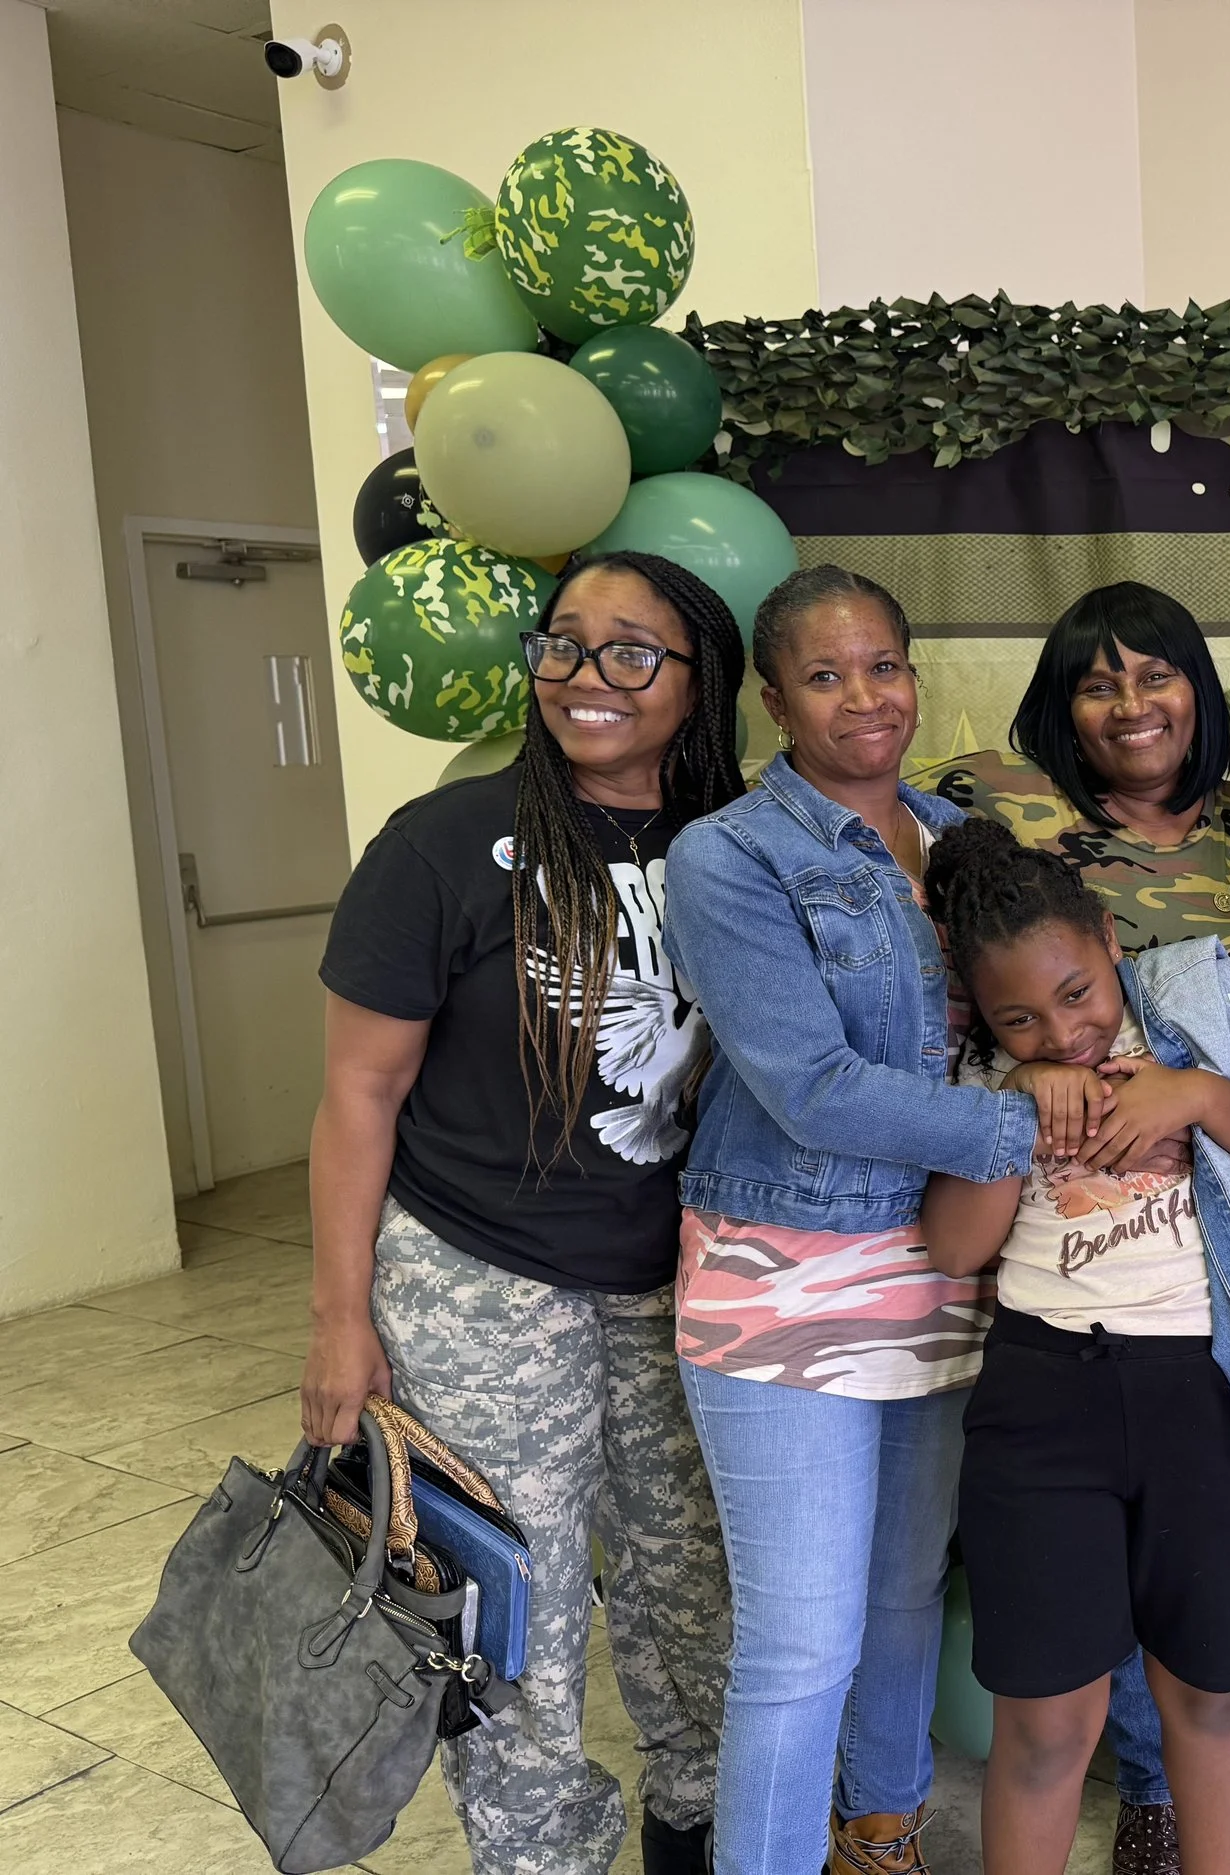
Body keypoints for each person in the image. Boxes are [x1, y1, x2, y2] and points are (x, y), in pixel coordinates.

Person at [304, 549, 745, 1875]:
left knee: (697, 1594)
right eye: (563, 643)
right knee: (518, 1620)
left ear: (699, 677)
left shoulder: (741, 845)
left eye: (631, 651)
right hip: (482, 1279)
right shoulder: (441, 845)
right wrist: (338, 1319)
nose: (584, 675)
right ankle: (537, 1855)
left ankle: (701, 1828)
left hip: (688, 1280)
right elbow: (355, 1095)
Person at [930, 582, 1230, 1875]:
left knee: (1213, 1688)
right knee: (1047, 1720)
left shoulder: (1192, 1018)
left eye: (1077, 994)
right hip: (1043, 1399)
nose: (1063, 1031)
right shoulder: (987, 1080)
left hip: (1202, 1389)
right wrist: (1016, 1115)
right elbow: (953, 1248)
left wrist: (1197, 1093)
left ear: (1114, 941)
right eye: (1021, 1020)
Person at [661, 565, 1042, 1875]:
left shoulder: (961, 837)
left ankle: (879, 1833)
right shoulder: (727, 854)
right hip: (787, 1275)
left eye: (884, 665)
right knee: (800, 1637)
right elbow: (811, 1087)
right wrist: (1022, 1128)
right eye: (826, 675)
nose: (864, 697)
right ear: (774, 701)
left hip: (937, 1267)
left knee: (898, 1598)